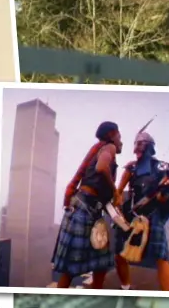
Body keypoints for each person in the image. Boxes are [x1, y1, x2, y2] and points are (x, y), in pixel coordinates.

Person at [52, 121, 123, 289]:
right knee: (97, 263)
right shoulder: (110, 147)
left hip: (86, 207)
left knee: (98, 263)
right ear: (112, 135)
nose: (122, 141)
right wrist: (115, 191)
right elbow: (101, 167)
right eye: (120, 136)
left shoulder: (100, 149)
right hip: (86, 208)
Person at [114, 131, 169, 291]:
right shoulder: (132, 168)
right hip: (133, 214)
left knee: (161, 257)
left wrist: (165, 190)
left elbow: (164, 199)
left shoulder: (162, 167)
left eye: (141, 147)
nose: (137, 151)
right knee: (119, 253)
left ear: (150, 148)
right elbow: (118, 192)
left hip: (153, 214)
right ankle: (126, 288)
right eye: (136, 147)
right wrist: (118, 207)